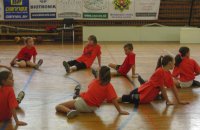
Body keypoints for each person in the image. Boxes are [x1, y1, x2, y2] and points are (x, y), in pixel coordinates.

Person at [55, 66, 129, 119]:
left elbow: (90, 88)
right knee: (85, 95)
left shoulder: (95, 81)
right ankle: (77, 95)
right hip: (93, 108)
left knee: (58, 106)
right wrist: (120, 111)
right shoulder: (109, 86)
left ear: (99, 75)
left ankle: (69, 111)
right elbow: (114, 100)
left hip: (83, 104)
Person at [118, 55, 189, 106]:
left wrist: (179, 101)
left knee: (124, 98)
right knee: (127, 96)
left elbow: (173, 87)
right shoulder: (160, 71)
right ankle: (110, 99)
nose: (174, 65)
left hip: (144, 96)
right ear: (169, 63)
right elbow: (162, 88)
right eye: (173, 63)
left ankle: (110, 99)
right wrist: (168, 101)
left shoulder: (167, 72)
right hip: (143, 90)